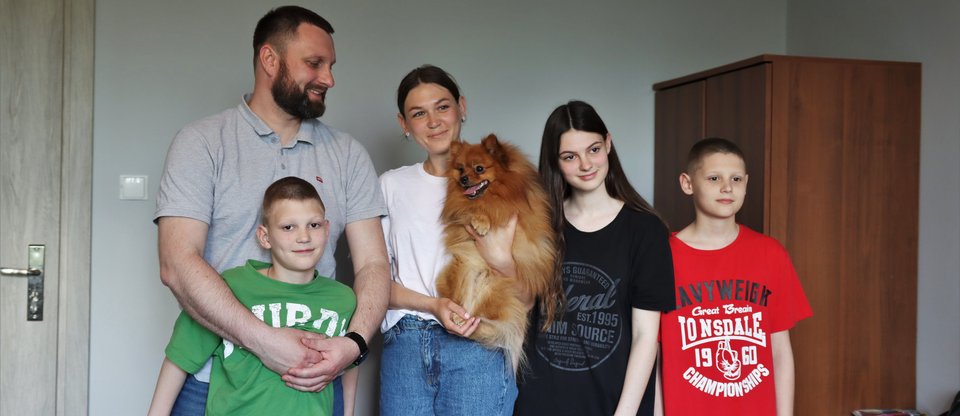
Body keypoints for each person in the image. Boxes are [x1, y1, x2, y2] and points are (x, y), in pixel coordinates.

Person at [154, 6, 389, 414]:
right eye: (314, 63)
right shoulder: (202, 142)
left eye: (331, 66)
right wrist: (266, 342)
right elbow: (176, 263)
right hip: (212, 383)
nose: (329, 79)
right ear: (269, 59)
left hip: (315, 382)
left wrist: (352, 346)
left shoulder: (348, 154)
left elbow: (373, 265)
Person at [377, 64, 535, 415]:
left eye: (443, 106)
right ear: (404, 124)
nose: (433, 121)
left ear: (462, 106)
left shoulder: (504, 186)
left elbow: (525, 297)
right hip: (406, 341)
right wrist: (433, 305)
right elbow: (373, 284)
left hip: (478, 342)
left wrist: (502, 262)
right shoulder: (390, 186)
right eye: (419, 113)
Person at [514, 100, 676, 416]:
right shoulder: (538, 224)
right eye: (570, 157)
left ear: (609, 144)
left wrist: (625, 413)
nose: (586, 164)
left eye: (594, 149)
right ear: (555, 162)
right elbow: (521, 314)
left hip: (615, 405)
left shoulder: (645, 230)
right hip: (540, 403)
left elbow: (646, 337)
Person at [149, 177, 359, 416]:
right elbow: (180, 357)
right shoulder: (229, 288)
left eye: (314, 225)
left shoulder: (342, 299)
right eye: (288, 227)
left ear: (327, 229)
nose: (304, 237)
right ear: (265, 237)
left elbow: (347, 365)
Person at [656, 137, 812, 415]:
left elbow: (780, 353)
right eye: (714, 178)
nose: (727, 187)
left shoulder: (771, 253)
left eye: (736, 179)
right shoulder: (661, 257)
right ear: (687, 183)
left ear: (746, 183)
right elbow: (654, 357)